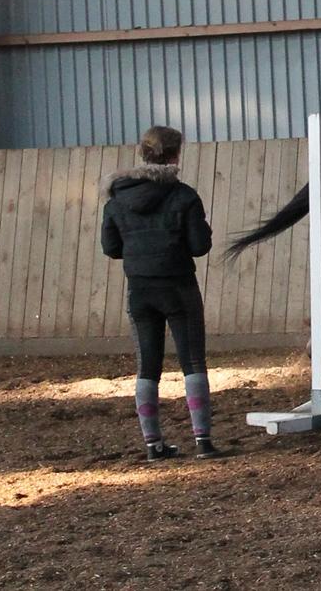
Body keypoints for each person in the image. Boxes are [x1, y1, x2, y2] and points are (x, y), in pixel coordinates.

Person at [101, 126, 222, 462]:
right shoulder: (184, 196)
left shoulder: (116, 199)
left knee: (148, 366)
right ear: (175, 156)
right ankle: (203, 440)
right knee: (193, 361)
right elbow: (200, 246)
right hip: (179, 285)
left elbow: (110, 247)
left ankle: (153, 445)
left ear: (143, 154)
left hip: (140, 289)